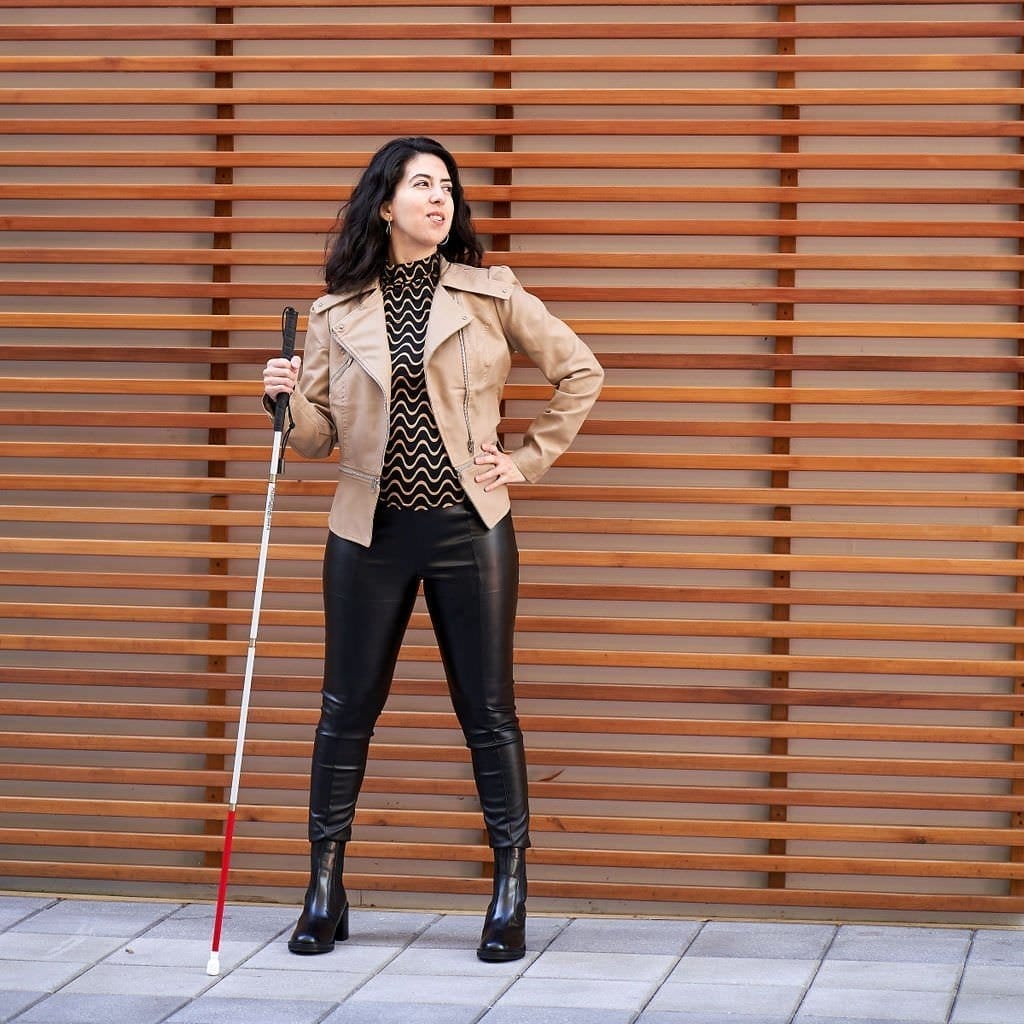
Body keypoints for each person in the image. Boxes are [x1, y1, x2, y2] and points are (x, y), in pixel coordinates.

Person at [262, 136, 603, 962]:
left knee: (488, 713)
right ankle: (325, 887)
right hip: (366, 533)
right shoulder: (336, 311)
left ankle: (509, 891)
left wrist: (520, 463)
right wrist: (280, 400)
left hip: (468, 529)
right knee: (344, 714)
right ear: (386, 205)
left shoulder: (491, 294)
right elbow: (316, 439)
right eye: (422, 185)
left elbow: (580, 370)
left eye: (446, 186)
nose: (439, 198)